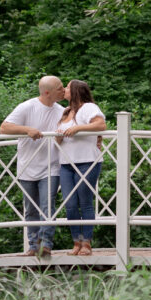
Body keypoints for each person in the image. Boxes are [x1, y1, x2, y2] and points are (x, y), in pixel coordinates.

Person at [0, 76, 65, 258]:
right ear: (47, 92)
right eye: (60, 88)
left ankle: (46, 245)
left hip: (51, 166)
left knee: (48, 206)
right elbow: (4, 128)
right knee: (30, 210)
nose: (63, 90)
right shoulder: (27, 107)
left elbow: (70, 130)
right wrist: (27, 130)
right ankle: (33, 246)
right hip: (27, 166)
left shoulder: (61, 111)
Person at [56, 80, 106, 256]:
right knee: (70, 204)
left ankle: (87, 243)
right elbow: (59, 138)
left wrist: (78, 128)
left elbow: (101, 125)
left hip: (87, 161)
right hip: (66, 163)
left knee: (85, 202)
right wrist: (58, 137)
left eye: (68, 87)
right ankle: (76, 242)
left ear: (76, 91)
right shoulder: (66, 112)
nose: (64, 90)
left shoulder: (88, 108)